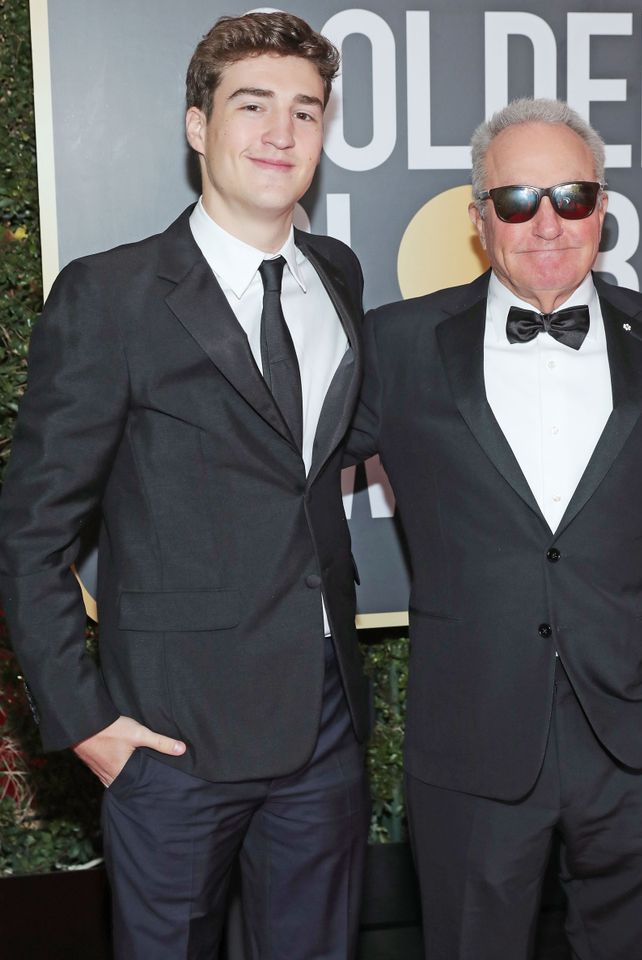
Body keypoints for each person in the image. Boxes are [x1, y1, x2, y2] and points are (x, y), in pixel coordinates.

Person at [0, 12, 369, 959]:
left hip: (323, 723)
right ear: (198, 126)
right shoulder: (110, 295)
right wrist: (86, 725)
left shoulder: (337, 273)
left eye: (305, 110)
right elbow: (32, 530)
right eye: (252, 106)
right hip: (171, 740)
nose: (281, 133)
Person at [346, 98, 642, 960]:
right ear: (480, 218)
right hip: (475, 734)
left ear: (602, 206)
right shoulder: (398, 344)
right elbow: (278, 473)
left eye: (571, 196)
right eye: (518, 201)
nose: (548, 224)